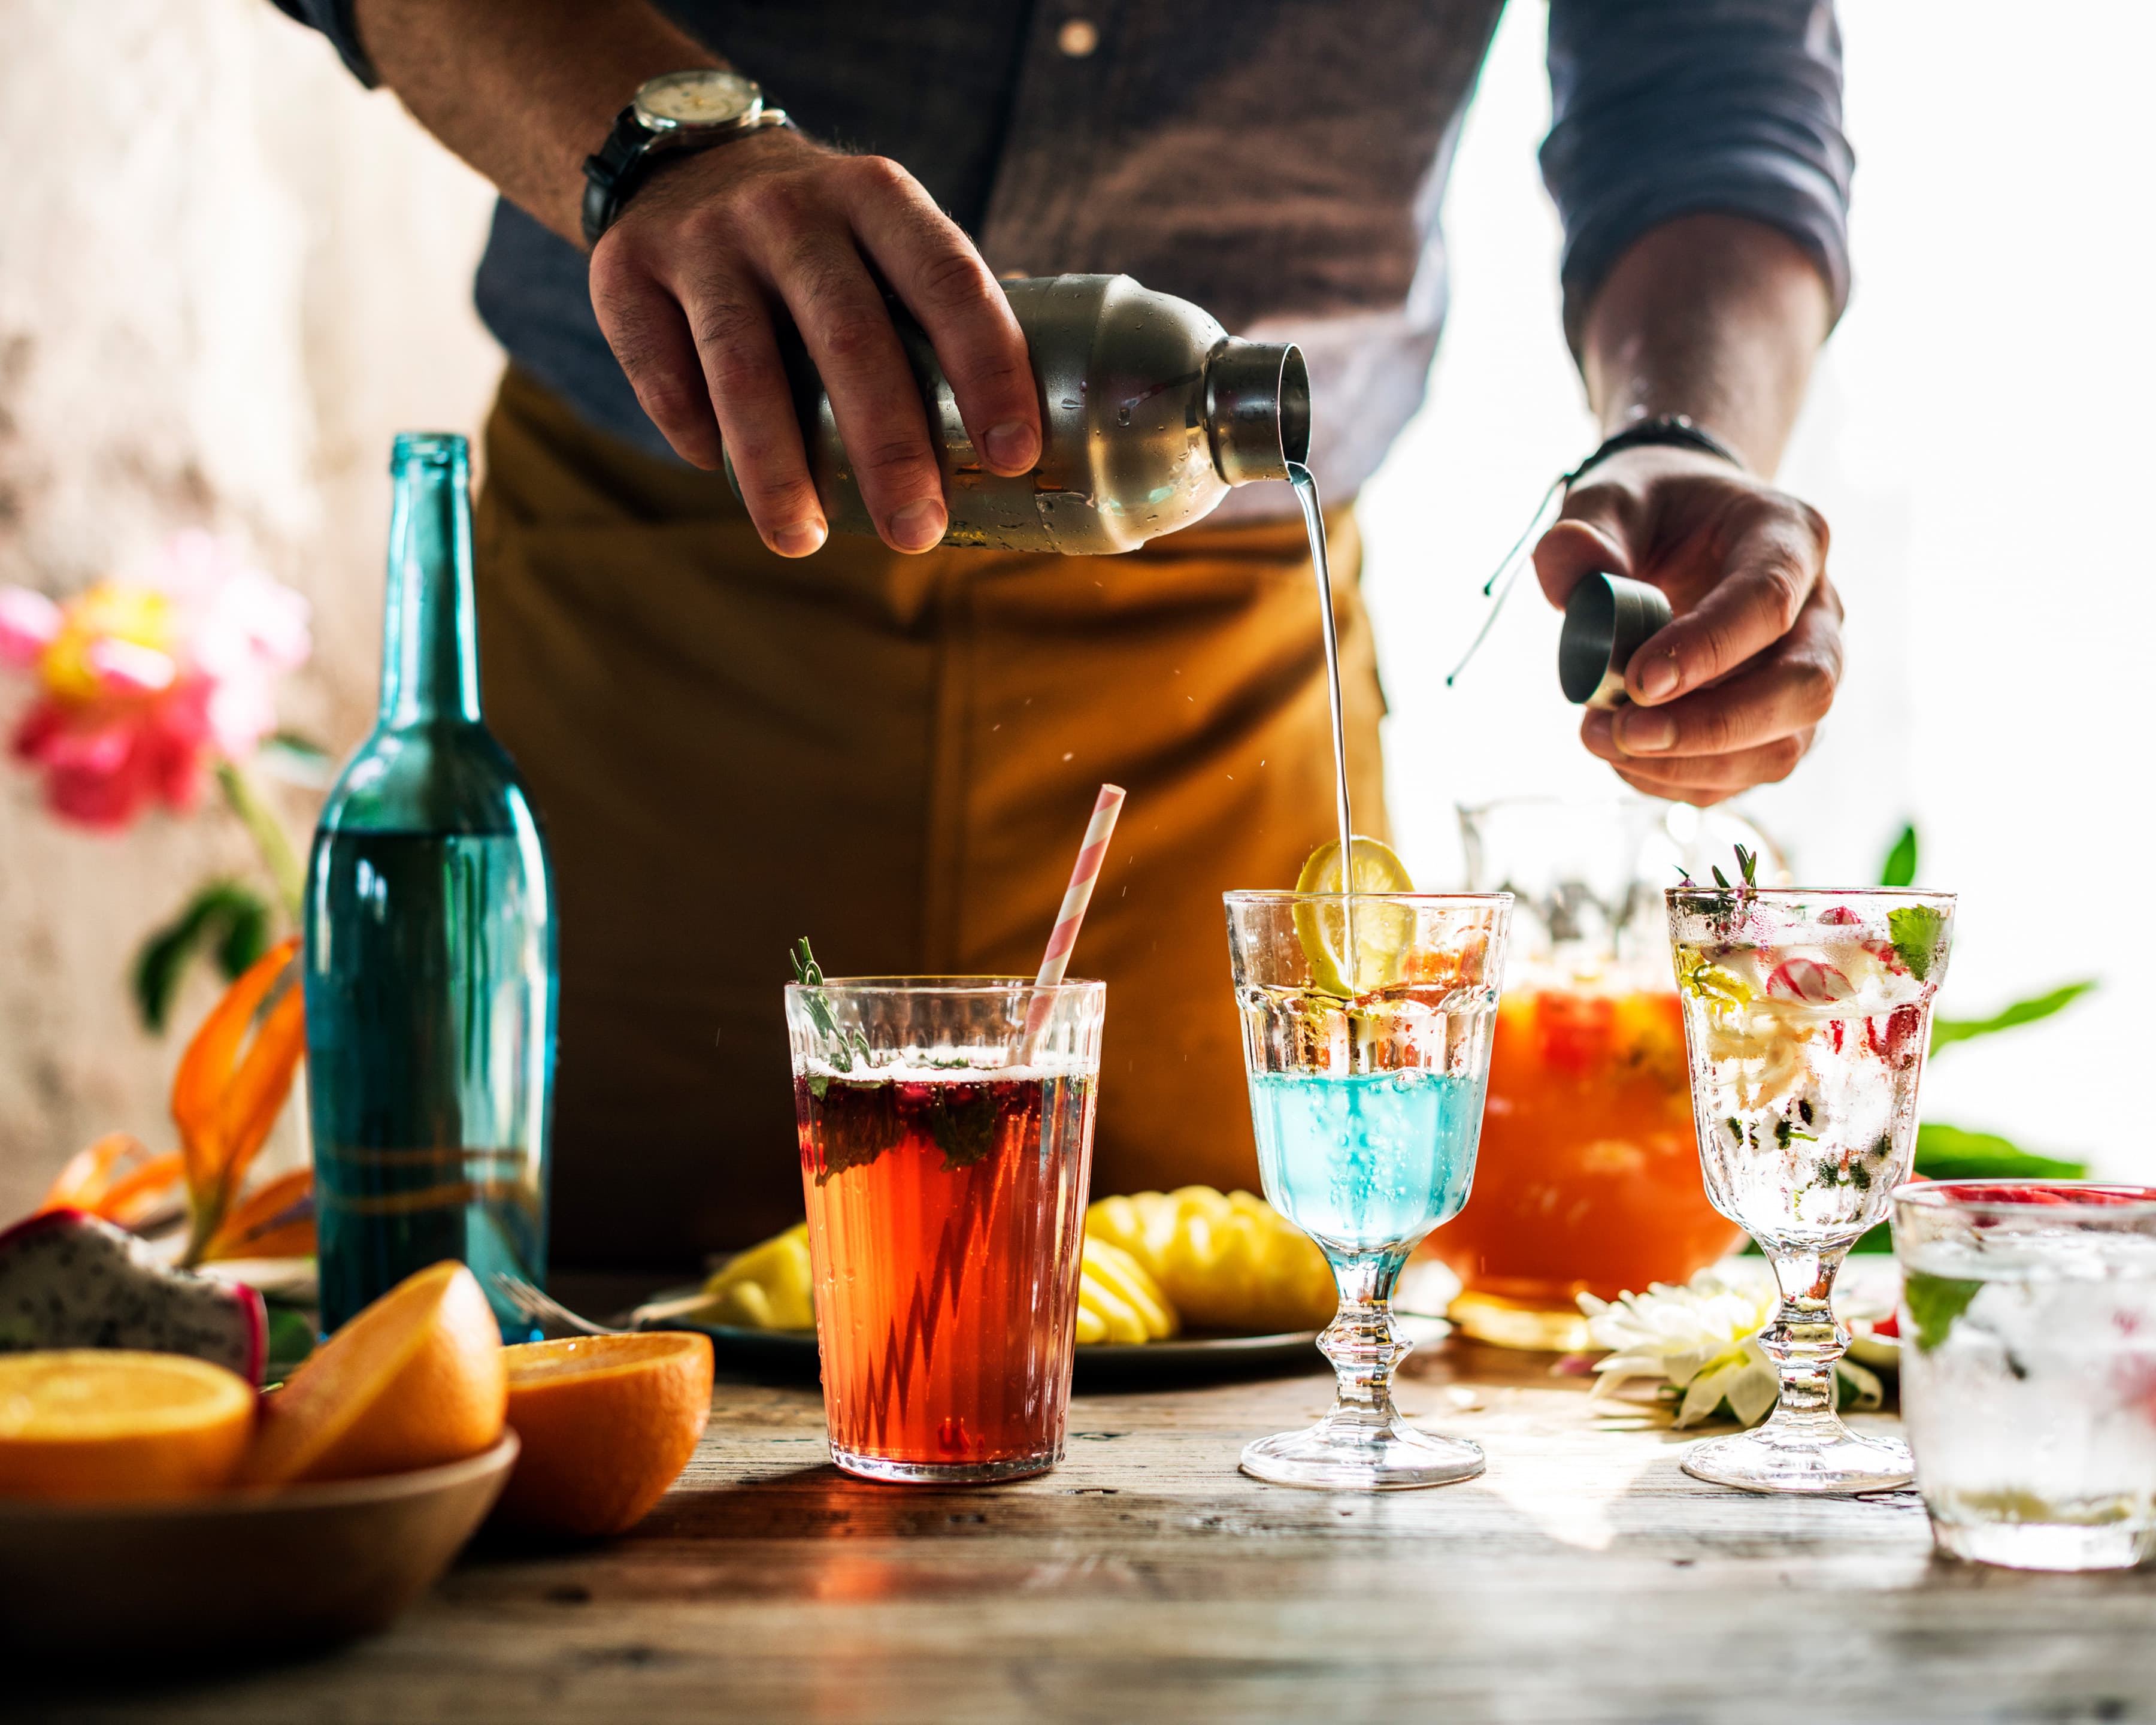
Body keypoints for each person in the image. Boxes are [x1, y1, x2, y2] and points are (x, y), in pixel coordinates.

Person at [273, 0, 1852, 1271]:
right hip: (660, 631)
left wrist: (1685, 431)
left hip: (1223, 693)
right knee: (558, 1338)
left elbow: (1712, 71)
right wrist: (662, 137)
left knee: (1240, 1377)